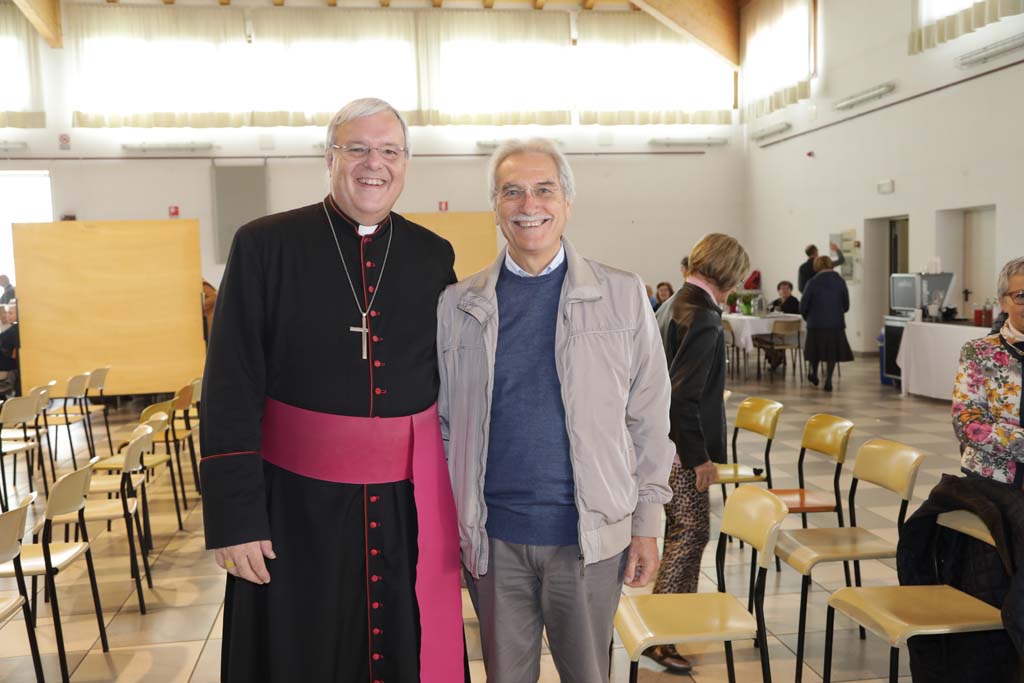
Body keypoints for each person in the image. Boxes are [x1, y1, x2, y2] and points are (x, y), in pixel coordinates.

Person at [200, 98, 464, 683]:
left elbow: (451, 383)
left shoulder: (432, 255)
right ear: (330, 158)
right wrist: (236, 518)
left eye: (390, 151)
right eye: (358, 149)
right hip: (293, 507)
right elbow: (229, 384)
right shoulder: (265, 245)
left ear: (406, 162)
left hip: (404, 507)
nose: (375, 164)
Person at [436, 138, 674, 683]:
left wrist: (646, 524)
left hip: (588, 540)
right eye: (512, 192)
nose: (529, 205)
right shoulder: (459, 305)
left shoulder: (622, 294)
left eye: (544, 190)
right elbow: (445, 426)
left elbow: (649, 418)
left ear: (567, 201)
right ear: (495, 207)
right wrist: (454, 525)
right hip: (494, 541)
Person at [646, 233, 750, 674]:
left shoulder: (673, 303)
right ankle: (661, 635)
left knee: (682, 534)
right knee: (689, 536)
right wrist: (699, 458)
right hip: (682, 451)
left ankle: (670, 626)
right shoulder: (703, 316)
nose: (738, 286)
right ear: (727, 274)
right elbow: (682, 397)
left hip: (662, 444)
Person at [953, 256, 1024, 485]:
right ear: (1003, 302)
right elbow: (967, 424)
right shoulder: (979, 353)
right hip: (993, 482)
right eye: (1021, 296)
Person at [800, 255, 853, 391]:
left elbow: (803, 305)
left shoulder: (812, 282)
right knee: (832, 352)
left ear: (816, 266)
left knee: (815, 350)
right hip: (835, 324)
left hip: (815, 323)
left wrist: (807, 317)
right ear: (830, 265)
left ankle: (814, 374)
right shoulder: (840, 281)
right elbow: (846, 305)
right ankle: (828, 380)